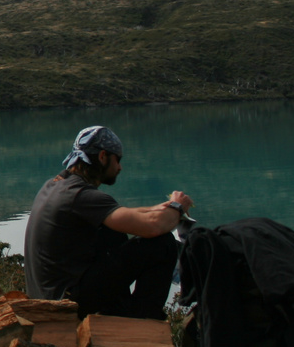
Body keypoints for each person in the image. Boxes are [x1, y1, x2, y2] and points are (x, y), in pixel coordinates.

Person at [24, 125, 192, 318]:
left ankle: (119, 310)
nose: (119, 167)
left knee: (111, 232)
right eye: (117, 160)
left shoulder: (56, 185)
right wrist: (177, 208)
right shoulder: (82, 195)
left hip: (48, 296)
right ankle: (144, 321)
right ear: (103, 156)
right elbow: (153, 227)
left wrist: (161, 208)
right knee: (162, 245)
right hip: (67, 303)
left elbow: (124, 215)